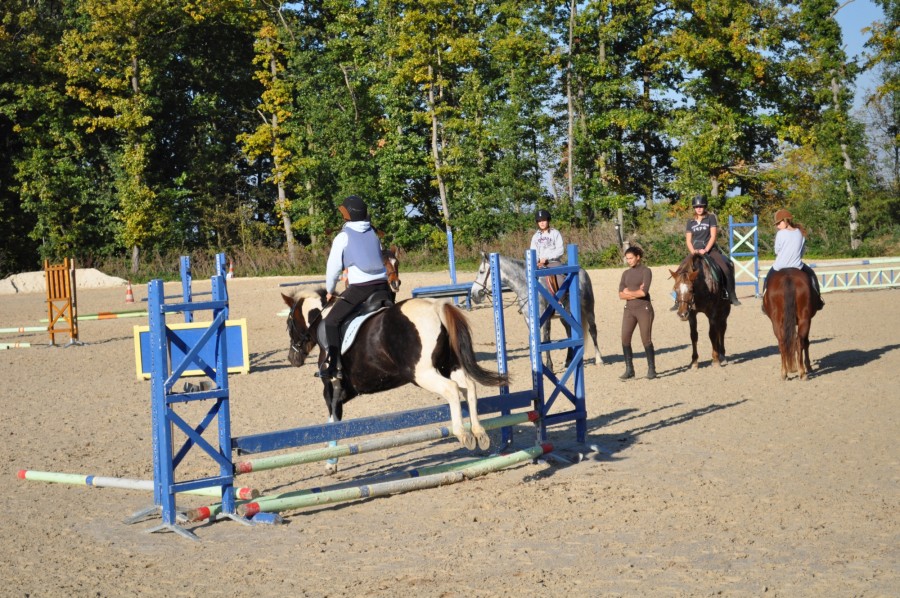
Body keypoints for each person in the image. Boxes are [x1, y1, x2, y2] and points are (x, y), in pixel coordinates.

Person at [321, 195, 394, 383]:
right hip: (383, 288)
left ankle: (335, 366)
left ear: (348, 214)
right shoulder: (373, 233)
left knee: (331, 321)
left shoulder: (342, 237)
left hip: (361, 288)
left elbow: (333, 269)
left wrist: (330, 290)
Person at [762, 208, 824, 312]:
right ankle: (818, 299)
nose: (777, 226)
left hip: (779, 266)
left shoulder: (780, 234)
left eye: (778, 223)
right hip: (797, 266)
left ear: (786, 221)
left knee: (767, 280)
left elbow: (777, 251)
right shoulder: (800, 233)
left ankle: (764, 302)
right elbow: (802, 252)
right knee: (812, 276)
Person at [685, 194, 741, 306]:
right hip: (695, 251)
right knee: (681, 270)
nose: (699, 208)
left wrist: (706, 249)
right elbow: (688, 240)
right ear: (694, 208)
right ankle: (678, 298)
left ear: (705, 206)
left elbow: (713, 236)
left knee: (726, 268)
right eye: (697, 207)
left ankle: (731, 295)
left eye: (701, 206)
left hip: (710, 250)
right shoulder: (690, 222)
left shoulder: (711, 218)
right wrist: (693, 251)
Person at [618, 246, 656, 380]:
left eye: (631, 258)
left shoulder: (646, 271)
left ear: (638, 257)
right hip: (629, 310)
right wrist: (634, 293)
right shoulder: (625, 274)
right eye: (627, 258)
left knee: (646, 339)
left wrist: (628, 292)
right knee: (625, 338)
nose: (629, 261)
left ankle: (651, 369)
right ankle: (629, 370)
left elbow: (643, 293)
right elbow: (620, 295)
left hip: (643, 309)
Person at [530, 209, 564, 293]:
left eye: (544, 220)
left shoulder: (555, 233)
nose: (541, 223)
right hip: (540, 265)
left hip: (553, 263)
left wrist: (547, 258)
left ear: (548, 220)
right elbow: (533, 251)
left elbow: (560, 250)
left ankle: (563, 299)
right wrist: (536, 262)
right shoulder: (535, 236)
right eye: (539, 221)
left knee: (560, 282)